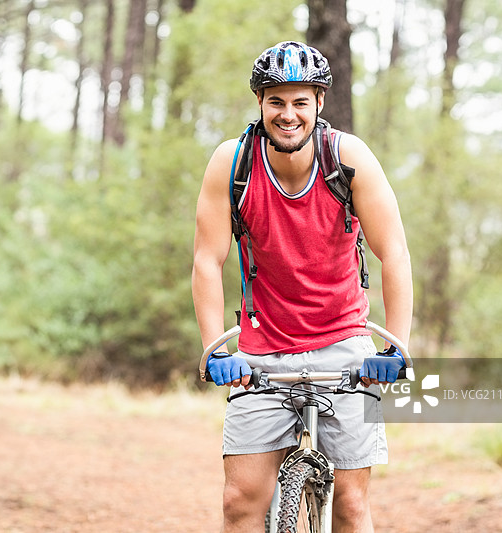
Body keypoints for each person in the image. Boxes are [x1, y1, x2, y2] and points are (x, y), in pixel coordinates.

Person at [191, 41, 413, 533]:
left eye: (300, 102)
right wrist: (213, 350)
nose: (288, 114)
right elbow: (208, 260)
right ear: (260, 103)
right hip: (262, 349)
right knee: (239, 501)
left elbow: (394, 252)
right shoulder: (233, 163)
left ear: (319, 103)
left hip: (344, 343)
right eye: (276, 101)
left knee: (352, 506)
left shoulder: (347, 158)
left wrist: (395, 348)